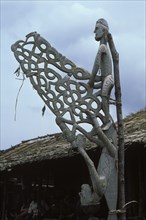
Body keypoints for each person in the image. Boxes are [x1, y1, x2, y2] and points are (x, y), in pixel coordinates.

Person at [88, 18, 114, 130]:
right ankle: (104, 118)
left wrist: (91, 80)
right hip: (103, 78)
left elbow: (96, 64)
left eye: (97, 29)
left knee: (104, 98)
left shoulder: (103, 47)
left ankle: (107, 121)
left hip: (108, 78)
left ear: (103, 31)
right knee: (101, 99)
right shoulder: (102, 47)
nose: (95, 32)